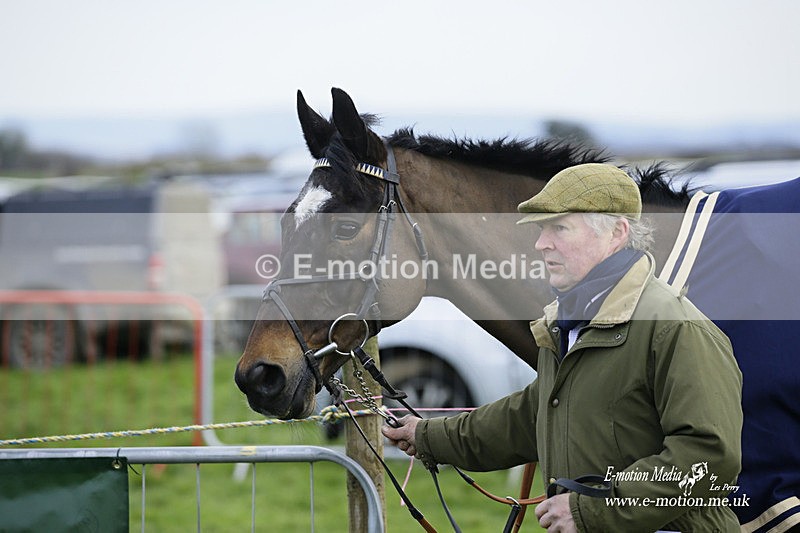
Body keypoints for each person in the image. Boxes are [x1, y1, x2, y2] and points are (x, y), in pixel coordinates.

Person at [382, 163, 743, 532]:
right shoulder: (570, 324)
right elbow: (530, 417)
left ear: (616, 233)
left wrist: (591, 510)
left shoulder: (674, 326)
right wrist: (426, 436)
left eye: (559, 228)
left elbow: (708, 456)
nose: (541, 244)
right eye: (541, 230)